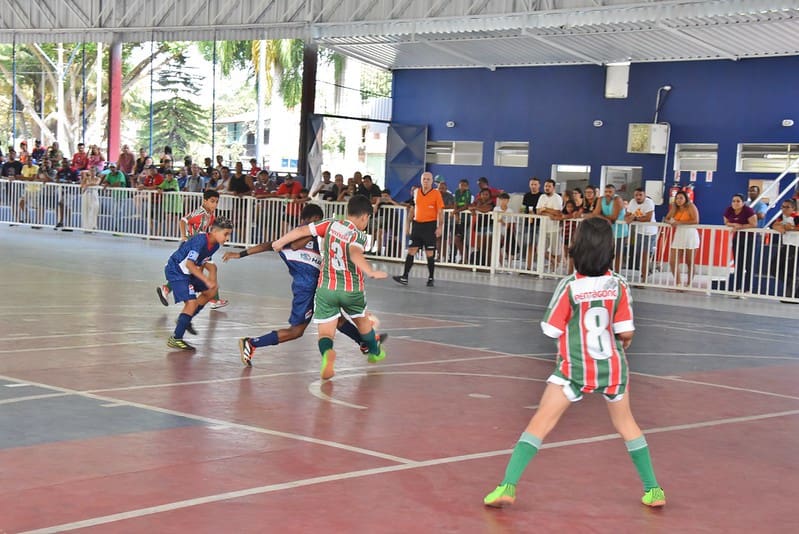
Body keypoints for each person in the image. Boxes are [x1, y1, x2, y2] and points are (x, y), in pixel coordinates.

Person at [483, 217, 665, 510]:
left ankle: (508, 485)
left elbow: (550, 329)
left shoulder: (569, 286)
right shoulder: (619, 285)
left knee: (541, 421)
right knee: (626, 423)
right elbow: (626, 331)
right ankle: (653, 489)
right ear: (610, 251)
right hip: (612, 367)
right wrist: (622, 339)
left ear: (577, 248)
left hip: (574, 368)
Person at [223, 203, 388, 366]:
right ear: (313, 219)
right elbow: (289, 245)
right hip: (306, 290)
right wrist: (241, 254)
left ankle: (364, 342)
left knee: (337, 320)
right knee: (297, 331)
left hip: (320, 286)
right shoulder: (302, 235)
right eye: (318, 220)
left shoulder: (315, 236)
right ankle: (252, 343)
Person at [272, 195, 388, 380]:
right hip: (352, 290)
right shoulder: (359, 235)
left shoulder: (330, 224)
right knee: (364, 324)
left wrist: (279, 242)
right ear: (365, 216)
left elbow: (302, 230)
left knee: (326, 332)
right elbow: (354, 252)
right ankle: (375, 352)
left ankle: (327, 354)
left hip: (326, 288)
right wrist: (370, 271)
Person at [165, 217, 234, 350]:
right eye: (226, 234)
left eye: (229, 234)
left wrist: (209, 281)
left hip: (188, 273)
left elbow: (203, 263)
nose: (227, 238)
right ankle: (176, 338)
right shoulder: (200, 241)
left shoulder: (214, 245)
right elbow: (190, 264)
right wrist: (206, 280)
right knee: (191, 303)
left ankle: (185, 319)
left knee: (211, 292)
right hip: (176, 271)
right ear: (214, 231)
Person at [157, 190, 229, 308]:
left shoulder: (210, 215)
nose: (214, 204)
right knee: (200, 271)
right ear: (204, 201)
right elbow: (183, 220)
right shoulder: (199, 213)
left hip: (201, 246)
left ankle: (167, 288)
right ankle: (211, 299)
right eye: (212, 201)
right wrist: (184, 236)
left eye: (216, 202)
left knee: (206, 270)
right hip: (193, 246)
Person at [393, 172, 444, 287]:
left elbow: (440, 212)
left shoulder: (436, 194)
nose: (426, 181)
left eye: (428, 179)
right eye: (424, 179)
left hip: (429, 226)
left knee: (429, 253)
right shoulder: (416, 192)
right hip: (417, 226)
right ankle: (405, 276)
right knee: (411, 250)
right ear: (421, 180)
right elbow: (412, 209)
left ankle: (431, 278)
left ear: (432, 181)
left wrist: (440, 226)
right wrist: (407, 225)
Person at [664, 190, 700, 289]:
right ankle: (678, 283)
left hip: (690, 234)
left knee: (689, 261)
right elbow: (666, 218)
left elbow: (696, 220)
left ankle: (689, 283)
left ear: (686, 199)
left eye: (681, 198)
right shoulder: (674, 208)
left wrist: (679, 222)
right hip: (679, 235)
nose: (679, 200)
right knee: (673, 261)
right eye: (677, 198)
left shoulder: (691, 206)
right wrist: (670, 222)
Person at [723, 193, 758, 293]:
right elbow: (726, 222)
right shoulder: (729, 209)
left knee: (749, 265)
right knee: (738, 264)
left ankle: (747, 289)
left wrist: (741, 226)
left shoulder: (748, 210)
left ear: (743, 203)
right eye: (734, 201)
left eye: (738, 201)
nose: (735, 203)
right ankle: (737, 288)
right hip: (738, 238)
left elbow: (754, 224)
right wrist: (734, 224)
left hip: (750, 238)